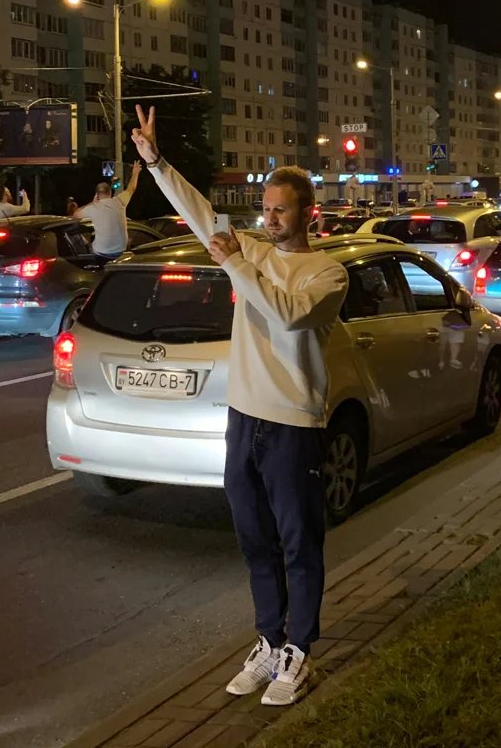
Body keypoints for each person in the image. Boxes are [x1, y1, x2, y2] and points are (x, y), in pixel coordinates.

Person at [131, 104, 348, 707]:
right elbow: (200, 213)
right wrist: (156, 163)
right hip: (244, 417)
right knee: (255, 539)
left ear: (310, 214)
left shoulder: (327, 274)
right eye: (266, 209)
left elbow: (286, 312)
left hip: (293, 424)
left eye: (282, 210)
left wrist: (234, 262)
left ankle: (300, 651)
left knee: (299, 542)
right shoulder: (250, 249)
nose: (270, 219)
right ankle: (269, 640)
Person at [73, 161, 141, 260]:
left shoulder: (93, 207)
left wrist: (92, 203)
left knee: (85, 243)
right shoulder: (119, 201)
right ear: (110, 193)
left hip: (101, 253)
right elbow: (131, 188)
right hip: (121, 251)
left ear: (97, 195)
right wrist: (135, 173)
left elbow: (75, 214)